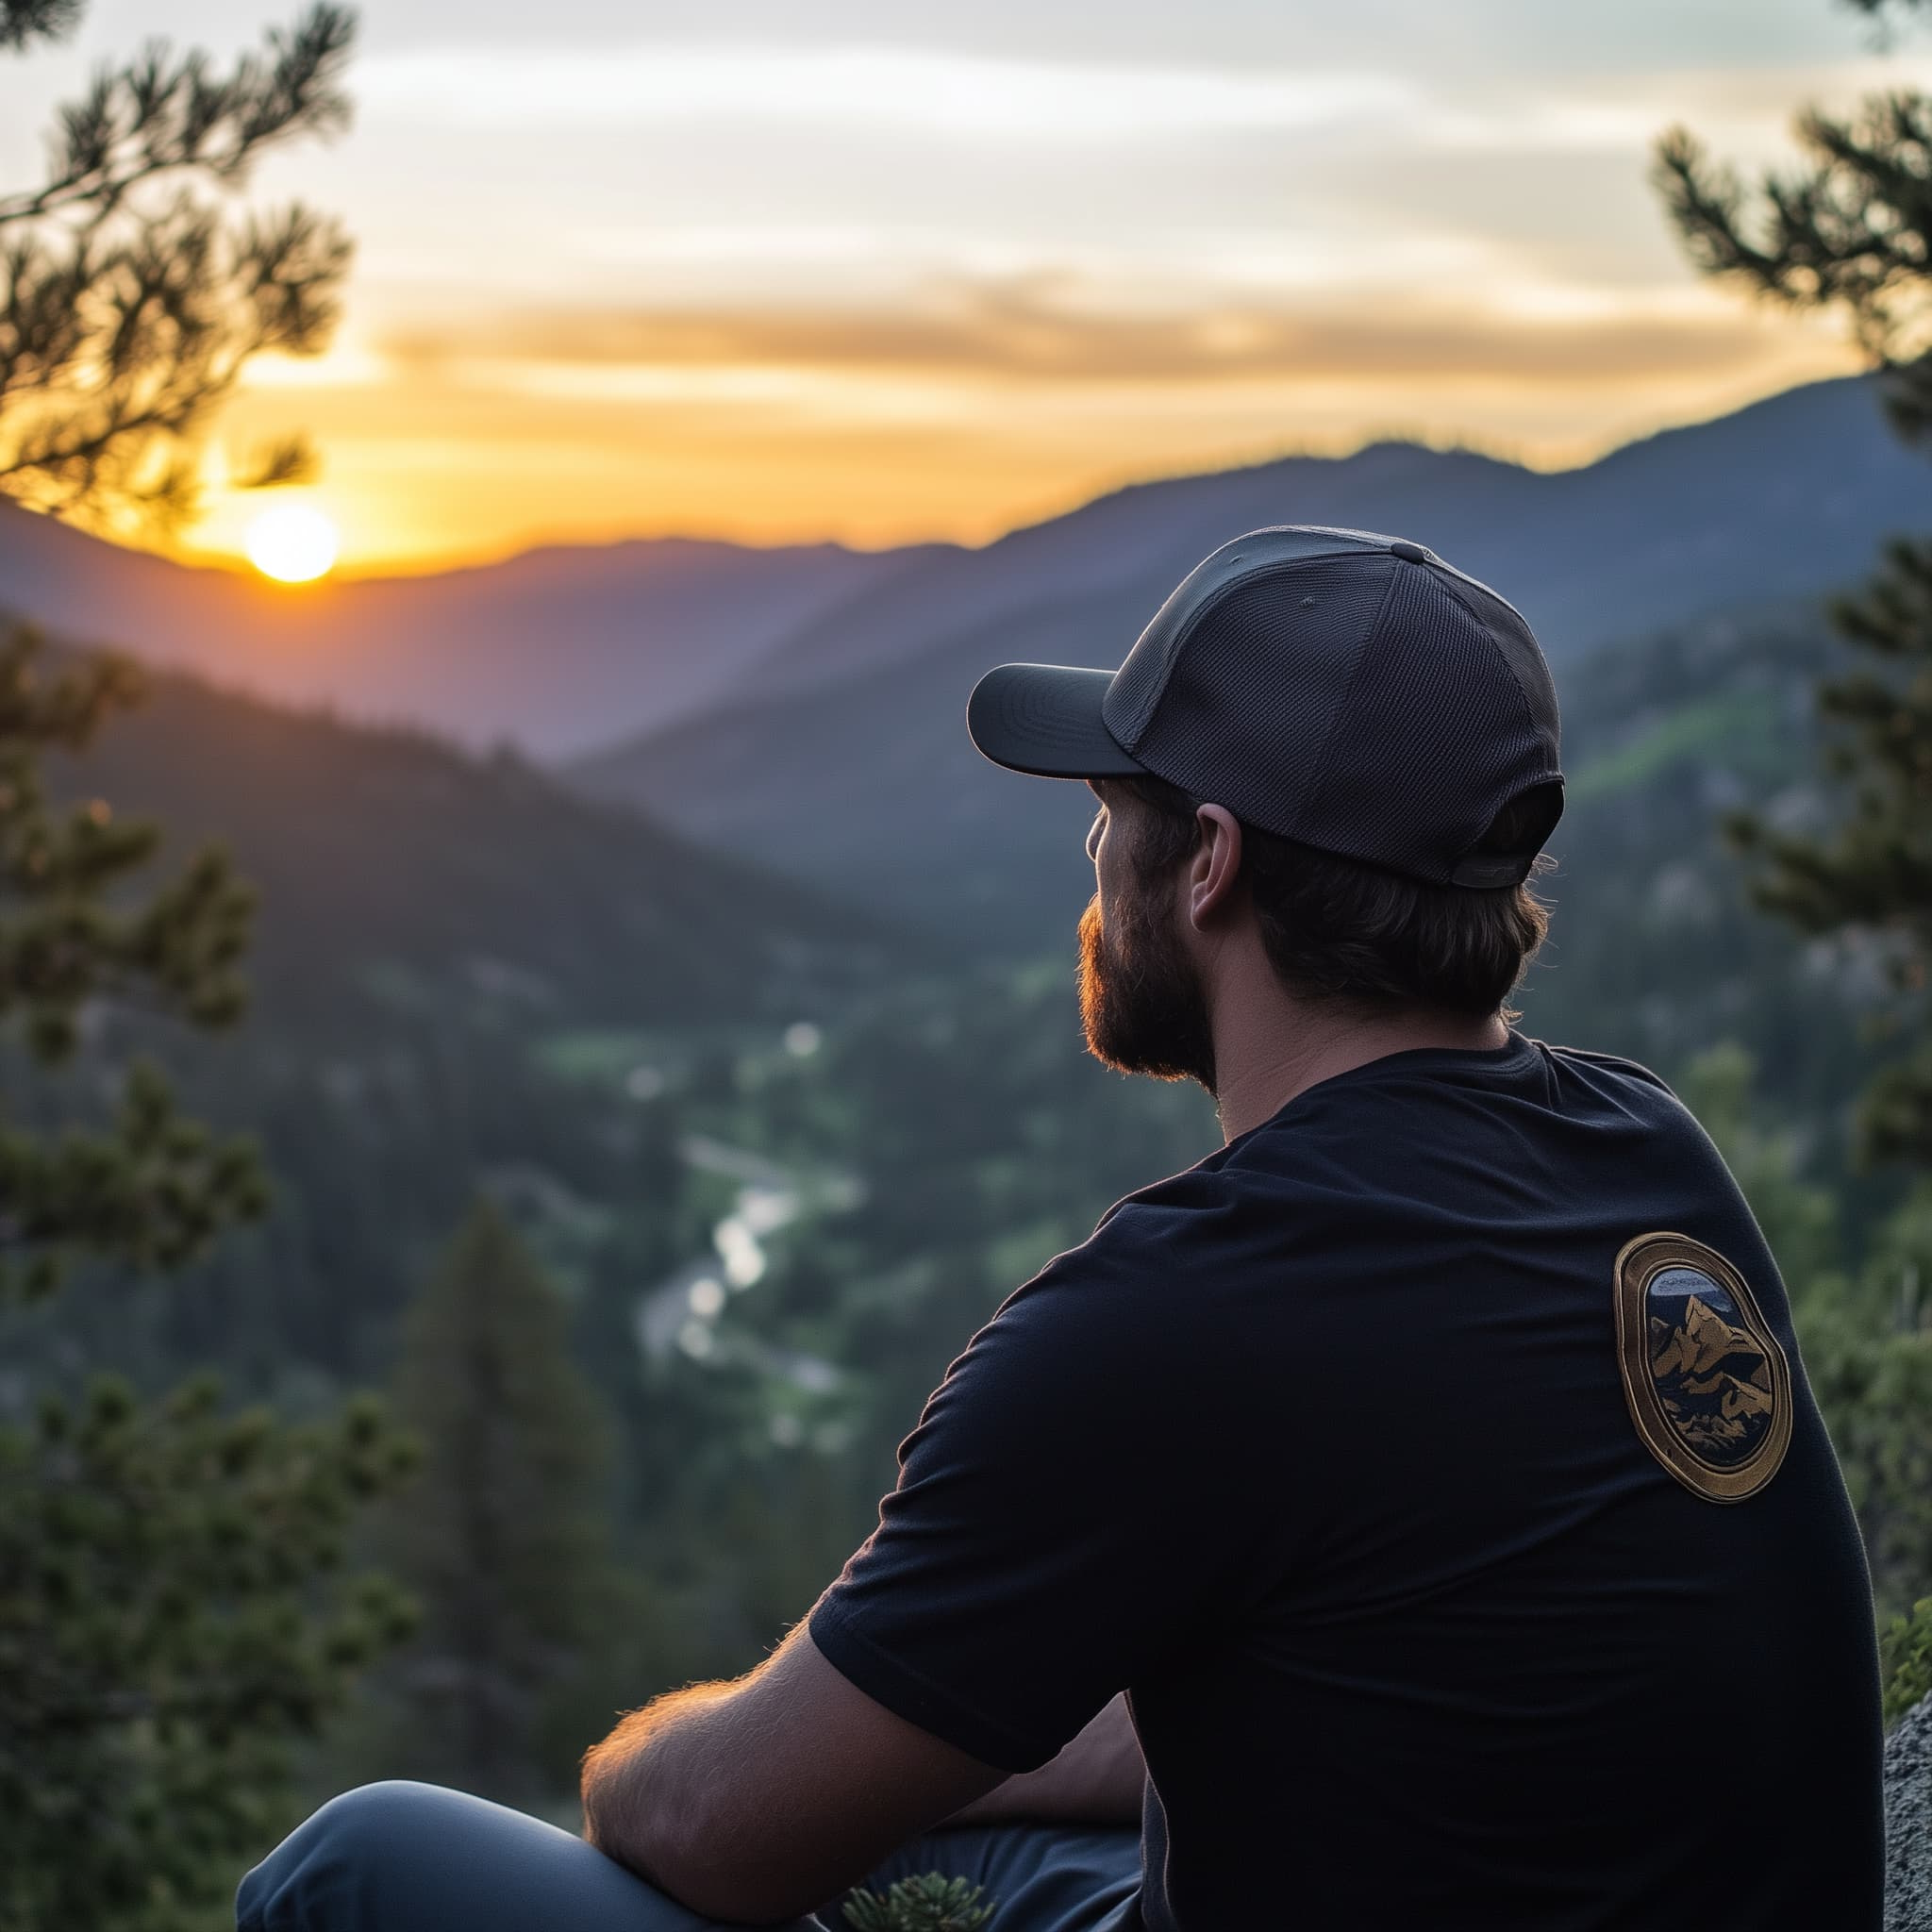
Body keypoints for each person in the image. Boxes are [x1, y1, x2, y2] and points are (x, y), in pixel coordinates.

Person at [240, 525, 1885, 1931]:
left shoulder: (1176, 1317)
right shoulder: (1644, 1154)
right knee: (969, 1822)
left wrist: (663, 1751)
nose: (1092, 856)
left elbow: (709, 1830)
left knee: (362, 1858)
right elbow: (1414, 1666)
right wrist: (943, 1739)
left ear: (1210, 864)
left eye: (1110, 801)